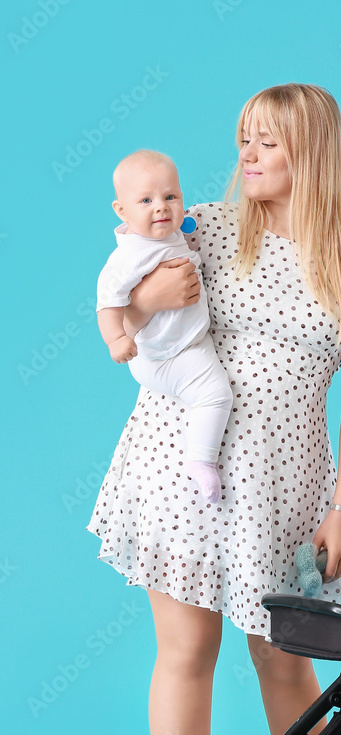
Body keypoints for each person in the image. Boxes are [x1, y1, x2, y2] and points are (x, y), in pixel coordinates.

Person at [87, 83, 341, 735]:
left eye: (266, 142)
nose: (247, 156)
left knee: (284, 660)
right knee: (186, 651)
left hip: (288, 485)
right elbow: (121, 282)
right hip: (180, 465)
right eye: (243, 139)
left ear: (312, 151)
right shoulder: (203, 227)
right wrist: (144, 304)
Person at [96, 150, 233, 504]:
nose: (161, 207)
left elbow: (182, 223)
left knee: (209, 392)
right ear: (121, 211)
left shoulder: (169, 232)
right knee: (215, 394)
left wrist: (185, 222)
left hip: (187, 342)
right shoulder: (129, 255)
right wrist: (117, 339)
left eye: (170, 196)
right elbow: (108, 301)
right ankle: (200, 460)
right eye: (146, 200)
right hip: (165, 354)